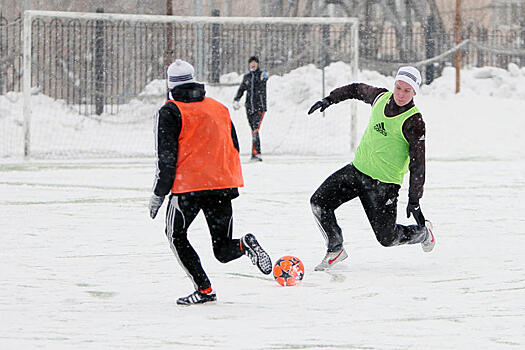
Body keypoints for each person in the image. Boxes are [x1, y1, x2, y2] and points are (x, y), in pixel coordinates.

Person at [149, 59, 272, 305]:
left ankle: (204, 290)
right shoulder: (218, 108)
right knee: (223, 249)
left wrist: (158, 194)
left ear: (170, 84)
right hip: (222, 184)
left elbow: (166, 159)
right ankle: (245, 245)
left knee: (175, 235)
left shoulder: (170, 110)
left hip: (189, 187)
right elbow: (234, 146)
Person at [307, 66, 436, 271]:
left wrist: (414, 199)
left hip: (383, 185)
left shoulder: (414, 121)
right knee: (319, 202)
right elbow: (356, 89)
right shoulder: (380, 98)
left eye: (407, 90)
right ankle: (335, 247)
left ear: (415, 92)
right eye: (399, 87)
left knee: (387, 238)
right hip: (357, 171)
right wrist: (330, 99)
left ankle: (422, 233)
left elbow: (418, 164)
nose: (401, 94)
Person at [233, 56, 268, 161]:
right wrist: (236, 99)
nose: (253, 65)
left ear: (257, 64)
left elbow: (263, 83)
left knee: (255, 130)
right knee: (253, 129)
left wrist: (264, 78)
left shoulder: (261, 75)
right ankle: (255, 153)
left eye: (255, 63)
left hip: (259, 107)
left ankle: (257, 153)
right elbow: (242, 89)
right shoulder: (247, 77)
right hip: (249, 107)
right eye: (251, 63)